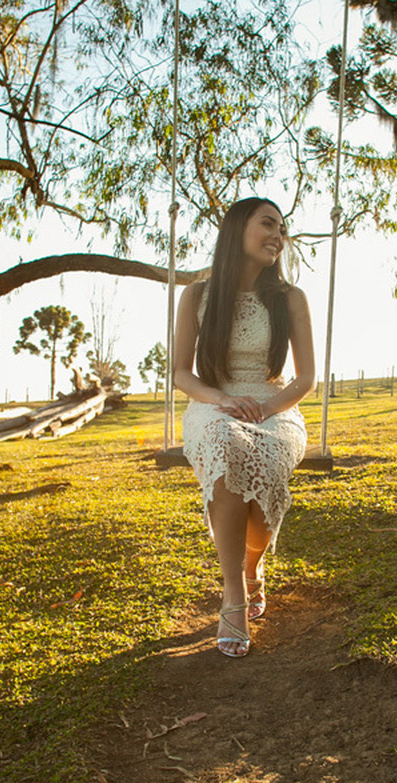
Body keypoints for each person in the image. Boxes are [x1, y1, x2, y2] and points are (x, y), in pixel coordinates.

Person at [173, 197, 316, 658]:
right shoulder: (196, 296)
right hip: (214, 403)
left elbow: (306, 378)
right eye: (268, 224)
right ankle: (234, 593)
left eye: (282, 228)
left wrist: (268, 406)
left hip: (275, 406)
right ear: (237, 229)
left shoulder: (290, 298)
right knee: (224, 441)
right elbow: (180, 373)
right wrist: (223, 400)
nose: (278, 235)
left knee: (262, 469)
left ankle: (253, 567)